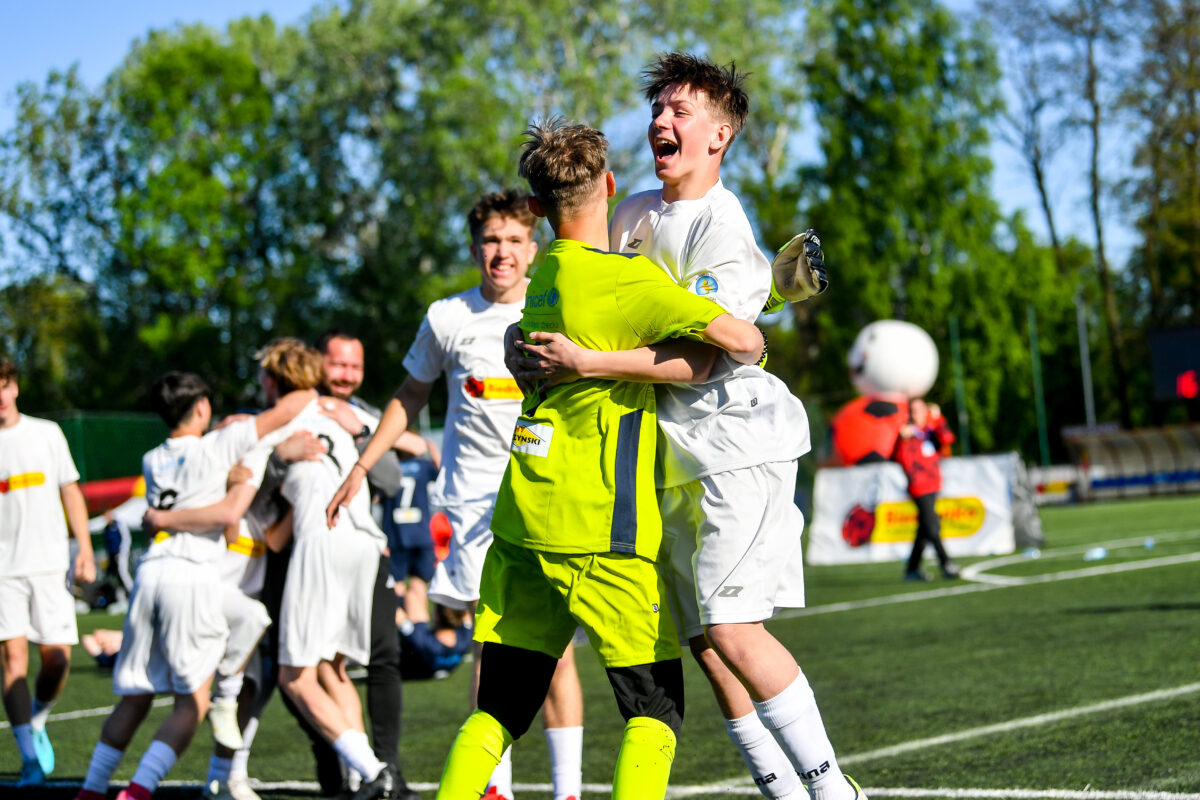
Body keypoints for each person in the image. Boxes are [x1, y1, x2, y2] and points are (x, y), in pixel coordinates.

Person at [509, 54, 863, 800]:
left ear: (720, 135)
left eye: (680, 111)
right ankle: (782, 790)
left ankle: (834, 791)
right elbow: (584, 298)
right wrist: (527, 342)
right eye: (658, 109)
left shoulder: (722, 226)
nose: (661, 122)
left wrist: (585, 362)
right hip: (663, 455)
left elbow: (705, 360)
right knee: (703, 639)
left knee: (733, 630)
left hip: (734, 444)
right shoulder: (631, 213)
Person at [434, 117, 766, 800]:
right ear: (611, 186)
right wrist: (762, 299)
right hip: (601, 527)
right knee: (655, 714)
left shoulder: (544, 279)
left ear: (534, 211)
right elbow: (743, 342)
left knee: (498, 712)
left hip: (522, 521)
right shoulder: (626, 282)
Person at [328, 190, 585, 800]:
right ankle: (495, 787)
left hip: (547, 501)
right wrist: (362, 465)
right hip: (474, 509)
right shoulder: (448, 317)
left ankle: (568, 791)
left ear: (534, 249)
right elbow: (409, 396)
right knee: (488, 646)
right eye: (491, 240)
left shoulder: (561, 308)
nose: (502, 252)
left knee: (556, 653)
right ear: (474, 249)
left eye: (514, 240)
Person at [74, 371, 314, 800]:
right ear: (202, 407)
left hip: (149, 574)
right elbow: (289, 409)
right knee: (193, 702)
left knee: (135, 697)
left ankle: (91, 790)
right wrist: (279, 407)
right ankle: (139, 790)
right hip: (191, 575)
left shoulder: (152, 458)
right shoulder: (219, 445)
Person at [0, 357, 96, 786]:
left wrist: (85, 548)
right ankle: (28, 759)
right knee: (13, 660)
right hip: (3, 571)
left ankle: (37, 720)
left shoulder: (47, 433)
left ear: (15, 387)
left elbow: (70, 491)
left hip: (50, 564)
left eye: (4, 384)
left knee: (57, 659)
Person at [894, 398, 959, 581]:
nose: (916, 414)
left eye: (920, 410)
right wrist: (903, 436)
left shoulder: (929, 431)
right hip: (918, 486)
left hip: (933, 485)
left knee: (924, 528)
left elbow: (947, 438)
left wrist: (938, 418)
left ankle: (912, 569)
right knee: (932, 526)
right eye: (913, 410)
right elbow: (900, 456)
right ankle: (947, 563)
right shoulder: (907, 433)